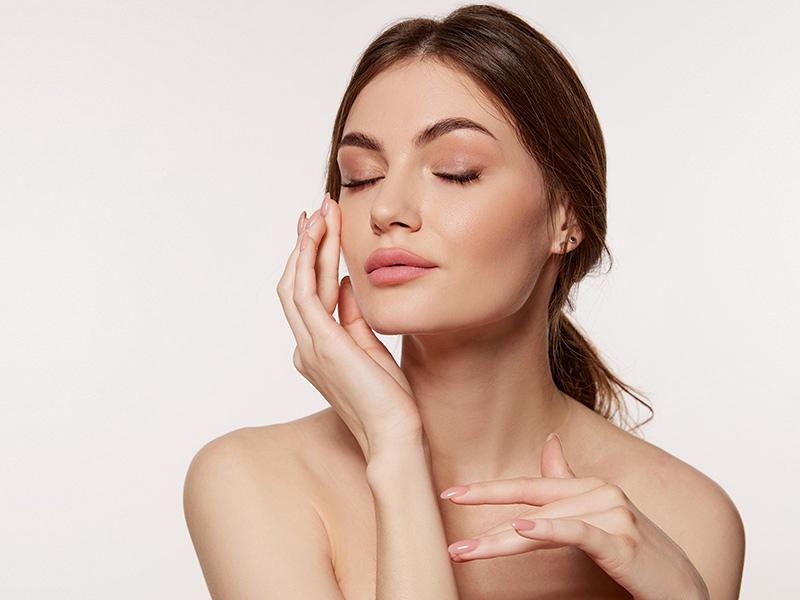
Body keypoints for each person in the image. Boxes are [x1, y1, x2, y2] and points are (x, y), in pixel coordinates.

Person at [183, 5, 745, 598]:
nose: (385, 209)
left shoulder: (684, 517)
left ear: (566, 216)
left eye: (456, 172)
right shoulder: (252, 479)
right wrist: (395, 450)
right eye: (361, 176)